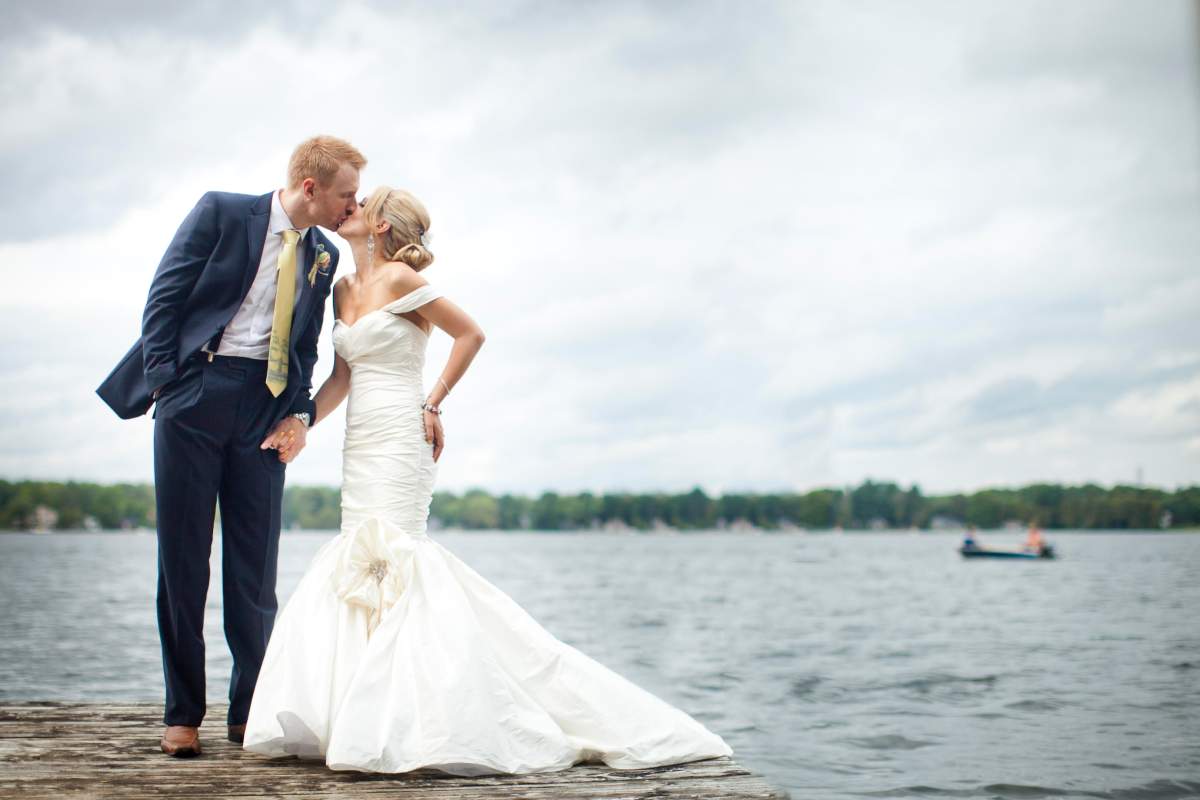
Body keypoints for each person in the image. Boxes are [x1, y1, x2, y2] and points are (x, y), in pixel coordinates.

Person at [242, 187, 733, 774]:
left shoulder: (400, 279)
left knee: (399, 557)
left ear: (379, 226)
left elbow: (470, 333)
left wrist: (435, 402)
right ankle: (362, 716)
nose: (350, 205)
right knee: (358, 558)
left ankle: (422, 717)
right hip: (360, 440)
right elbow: (342, 376)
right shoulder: (343, 291)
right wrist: (300, 422)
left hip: (402, 436)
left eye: (362, 202)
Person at [95, 136, 367, 757]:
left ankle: (248, 713)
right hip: (194, 393)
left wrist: (299, 414)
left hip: (264, 411)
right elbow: (164, 297)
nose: (353, 204)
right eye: (345, 193)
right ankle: (182, 715)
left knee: (254, 574)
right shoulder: (220, 212)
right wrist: (169, 383)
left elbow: (305, 353)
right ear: (310, 188)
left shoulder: (323, 255)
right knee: (184, 563)